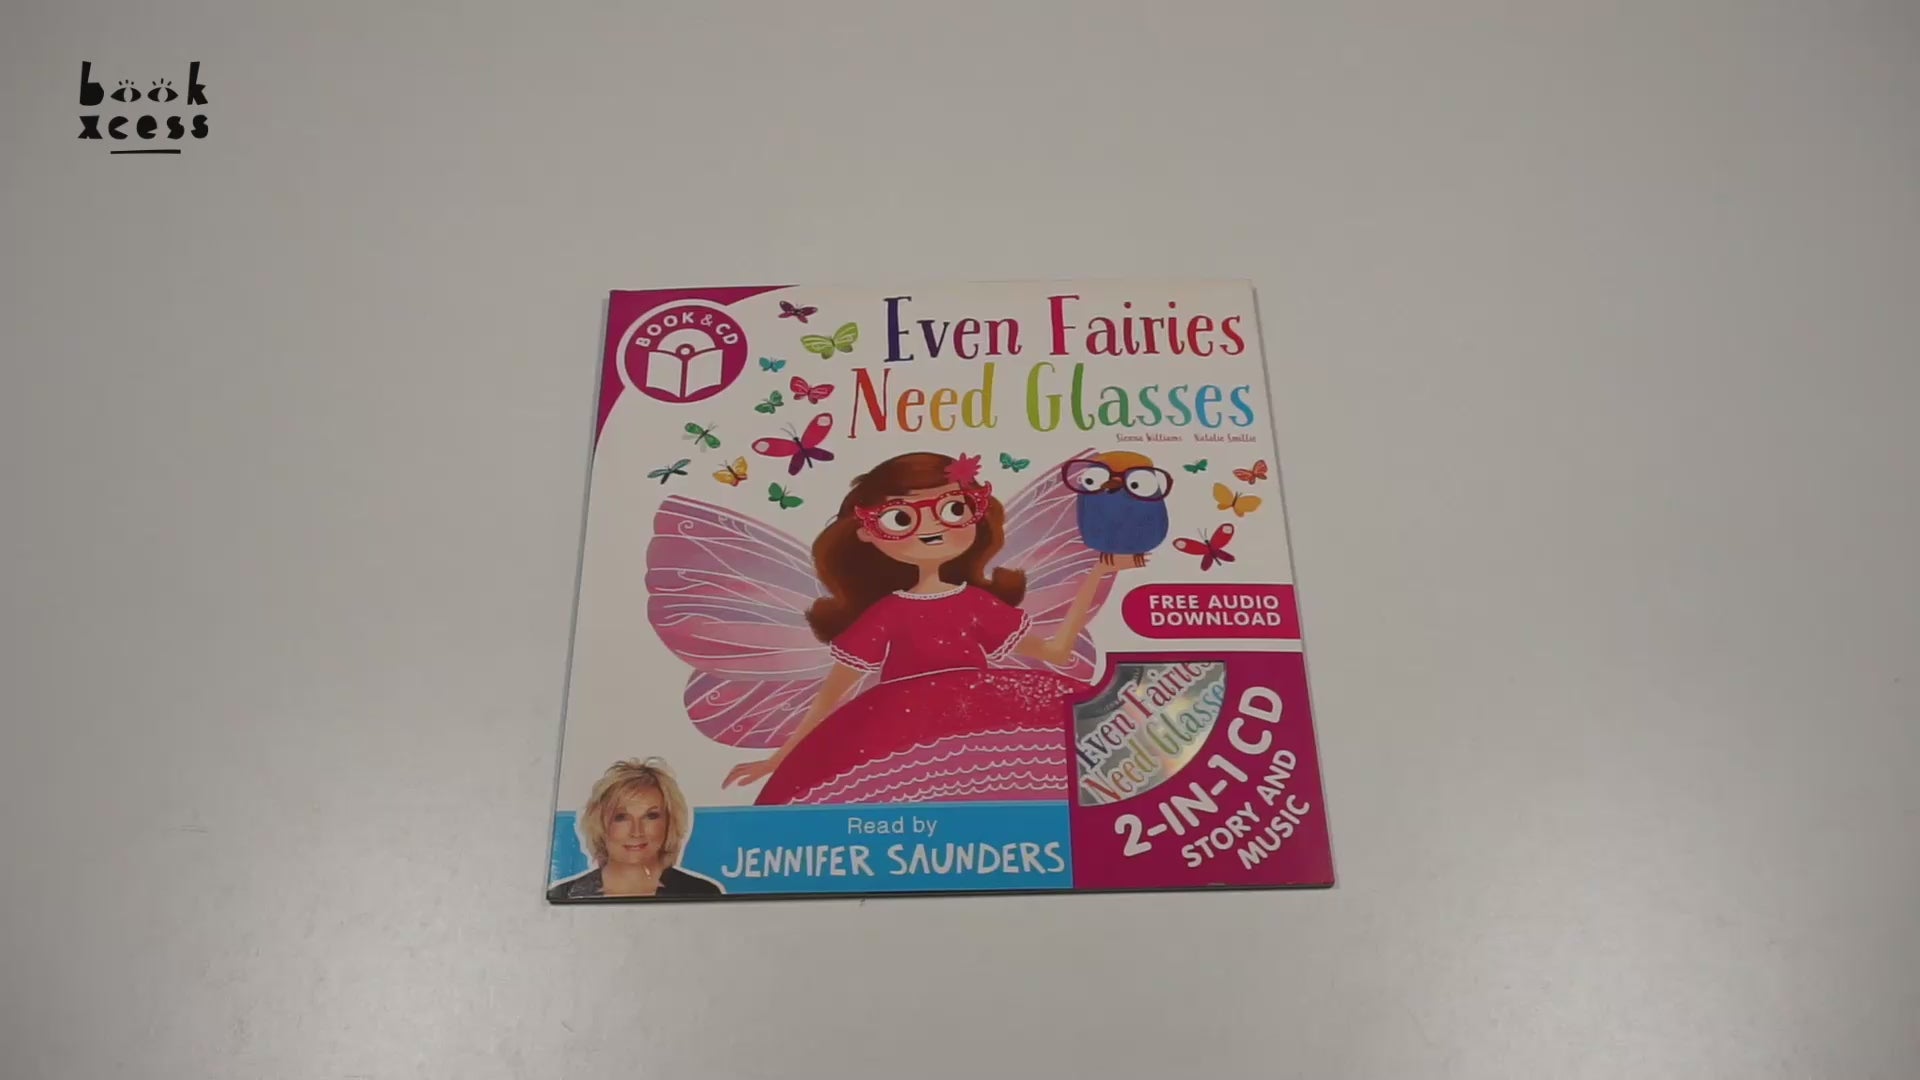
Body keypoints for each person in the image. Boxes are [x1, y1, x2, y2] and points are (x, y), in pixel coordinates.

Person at [722, 451, 1137, 804]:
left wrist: (1096, 575)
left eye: (954, 510)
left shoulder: (976, 604)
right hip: (900, 731)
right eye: (901, 518)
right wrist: (778, 759)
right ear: (866, 532)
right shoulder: (888, 613)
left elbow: (1056, 653)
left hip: (987, 724)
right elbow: (831, 695)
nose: (932, 528)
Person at [548, 758, 722, 899]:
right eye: (621, 817)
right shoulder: (566, 895)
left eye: (651, 816)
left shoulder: (701, 893)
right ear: (599, 823)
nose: (636, 832)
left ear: (669, 822)